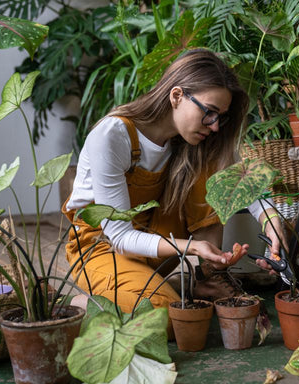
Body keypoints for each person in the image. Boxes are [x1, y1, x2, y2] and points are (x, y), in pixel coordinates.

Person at [62, 48, 286, 320]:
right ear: (177, 95)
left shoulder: (194, 141)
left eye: (220, 117)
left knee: (210, 160)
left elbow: (242, 181)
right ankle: (77, 306)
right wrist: (193, 247)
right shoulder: (113, 135)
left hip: (155, 243)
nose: (214, 125)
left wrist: (272, 223)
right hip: (103, 248)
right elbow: (119, 237)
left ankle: (210, 280)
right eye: (209, 112)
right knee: (165, 317)